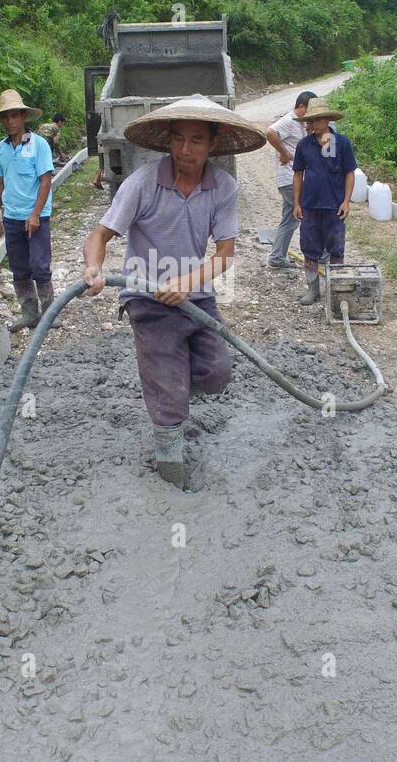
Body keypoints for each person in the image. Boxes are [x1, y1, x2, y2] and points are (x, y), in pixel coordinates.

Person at [82, 95, 265, 487]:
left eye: (197, 140)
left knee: (217, 374)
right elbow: (100, 235)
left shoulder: (222, 187)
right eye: (179, 139)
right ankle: (169, 458)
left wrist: (188, 282)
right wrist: (94, 268)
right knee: (169, 391)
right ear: (167, 141)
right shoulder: (143, 182)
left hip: (194, 296)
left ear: (213, 143)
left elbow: (225, 254)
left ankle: (172, 389)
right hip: (147, 299)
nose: (186, 149)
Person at [0, 89, 56, 329]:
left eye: (14, 116)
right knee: (19, 268)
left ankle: (49, 313)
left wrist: (35, 214)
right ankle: (29, 313)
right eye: (5, 117)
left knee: (40, 266)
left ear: (24, 117)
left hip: (36, 217)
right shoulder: (0, 149)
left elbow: (45, 181)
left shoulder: (39, 145)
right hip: (12, 218)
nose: (10, 121)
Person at [292, 97, 356, 305]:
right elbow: (297, 174)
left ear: (327, 120)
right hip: (310, 207)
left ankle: (336, 290)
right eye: (311, 121)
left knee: (336, 249)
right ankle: (313, 290)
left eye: (317, 120)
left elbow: (349, 173)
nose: (312, 125)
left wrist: (346, 201)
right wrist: (297, 203)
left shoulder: (343, 143)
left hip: (334, 207)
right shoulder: (304, 145)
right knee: (309, 249)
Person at [264, 91, 316, 268]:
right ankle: (318, 257)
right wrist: (285, 153)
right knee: (306, 214)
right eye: (308, 109)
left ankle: (277, 258)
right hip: (290, 179)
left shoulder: (302, 124)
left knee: (289, 220)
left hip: (293, 179)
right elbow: (270, 132)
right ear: (301, 106)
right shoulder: (289, 120)